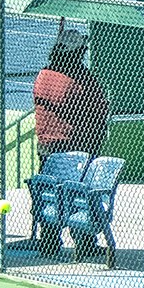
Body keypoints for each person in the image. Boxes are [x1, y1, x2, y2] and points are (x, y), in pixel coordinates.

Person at [33, 29, 109, 257]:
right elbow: (99, 107)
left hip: (47, 145)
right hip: (77, 146)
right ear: (75, 53)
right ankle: (84, 242)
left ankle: (48, 241)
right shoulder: (80, 79)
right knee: (79, 196)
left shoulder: (44, 74)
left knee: (50, 193)